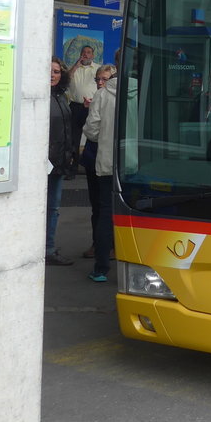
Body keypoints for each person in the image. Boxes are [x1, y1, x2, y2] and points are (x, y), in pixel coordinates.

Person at [83, 65, 118, 282]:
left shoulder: (103, 95)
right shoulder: (143, 91)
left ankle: (101, 268)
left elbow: (92, 130)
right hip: (136, 165)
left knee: (105, 213)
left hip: (107, 163)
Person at [47, 58, 77, 266]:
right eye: (48, 71)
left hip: (58, 163)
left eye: (56, 71)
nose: (52, 75)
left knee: (53, 208)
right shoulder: (40, 97)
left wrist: (70, 154)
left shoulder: (60, 96)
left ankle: (48, 248)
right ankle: (44, 249)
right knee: (45, 208)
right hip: (44, 164)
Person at [66, 44, 100, 150]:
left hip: (92, 106)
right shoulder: (74, 68)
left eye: (88, 52)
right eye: (83, 52)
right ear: (80, 55)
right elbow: (66, 80)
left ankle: (89, 161)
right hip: (75, 106)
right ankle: (73, 163)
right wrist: (76, 66)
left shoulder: (98, 68)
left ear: (93, 56)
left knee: (93, 134)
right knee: (73, 136)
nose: (85, 54)